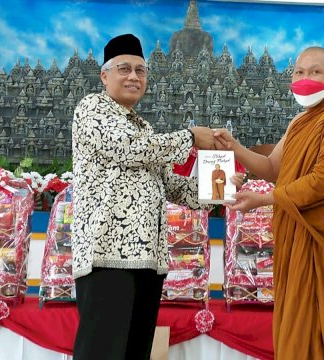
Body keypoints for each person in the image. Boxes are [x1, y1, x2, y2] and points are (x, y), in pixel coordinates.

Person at [214, 46, 324, 359]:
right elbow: (272, 168)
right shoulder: (299, 122)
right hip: (293, 239)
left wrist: (264, 199)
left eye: (315, 72)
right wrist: (236, 147)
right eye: (299, 72)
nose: (305, 78)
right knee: (294, 328)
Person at [71, 33, 216, 360]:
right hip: (108, 259)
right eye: (124, 69)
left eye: (141, 71)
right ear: (104, 76)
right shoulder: (92, 108)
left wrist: (221, 184)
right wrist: (191, 136)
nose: (134, 77)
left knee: (135, 353)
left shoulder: (144, 129)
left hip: (148, 262)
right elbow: (125, 150)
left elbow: (177, 187)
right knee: (103, 353)